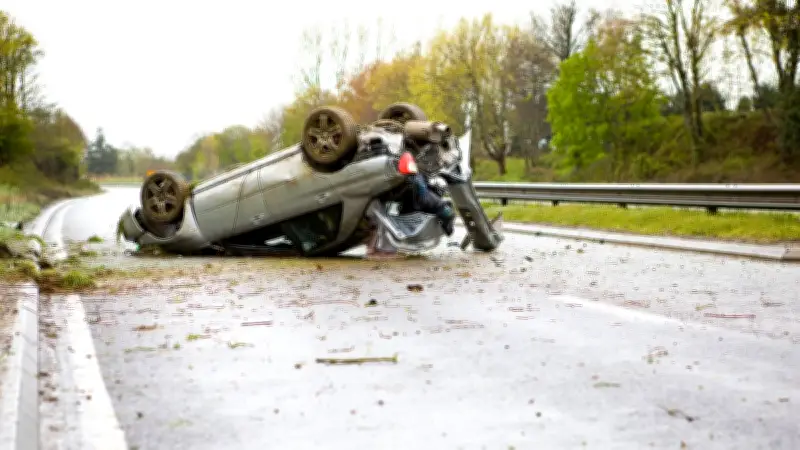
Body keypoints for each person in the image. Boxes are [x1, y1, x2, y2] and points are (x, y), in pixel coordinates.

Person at [364, 172, 456, 259]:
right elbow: (447, 213)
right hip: (400, 213)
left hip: (390, 207)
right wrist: (449, 229)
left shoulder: (418, 183)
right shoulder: (430, 197)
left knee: (380, 214)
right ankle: (380, 251)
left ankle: (374, 249)